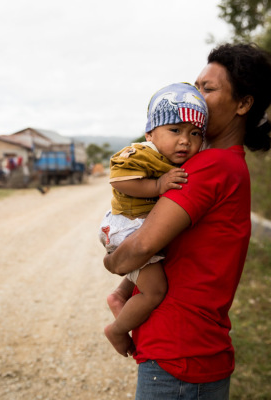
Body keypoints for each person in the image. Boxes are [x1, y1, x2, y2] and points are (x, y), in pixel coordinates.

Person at [103, 42, 271, 399]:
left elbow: (142, 246)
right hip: (190, 352)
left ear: (243, 104)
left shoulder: (211, 167)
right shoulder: (220, 163)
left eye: (207, 89)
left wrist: (111, 259)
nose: (194, 97)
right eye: (195, 87)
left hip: (179, 355)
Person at [99, 82, 208, 357]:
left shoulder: (178, 159)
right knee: (154, 291)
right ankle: (117, 329)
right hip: (128, 225)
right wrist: (157, 187)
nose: (185, 140)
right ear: (150, 133)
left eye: (195, 133)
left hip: (141, 224)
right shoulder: (143, 153)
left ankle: (118, 296)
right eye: (175, 130)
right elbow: (119, 179)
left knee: (155, 261)